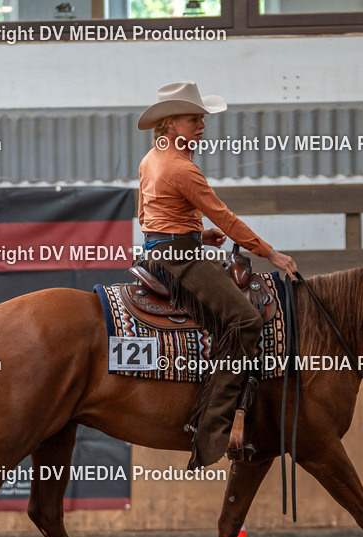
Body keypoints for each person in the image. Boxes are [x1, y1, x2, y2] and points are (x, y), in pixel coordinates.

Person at [137, 81, 298, 469]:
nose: (201, 125)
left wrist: (196, 235)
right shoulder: (181, 167)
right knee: (244, 321)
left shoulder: (151, 159)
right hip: (178, 258)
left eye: (202, 118)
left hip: (164, 250)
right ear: (171, 122)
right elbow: (224, 215)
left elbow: (149, 217)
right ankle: (214, 425)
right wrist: (269, 252)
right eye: (193, 119)